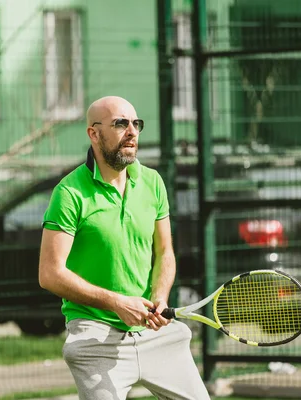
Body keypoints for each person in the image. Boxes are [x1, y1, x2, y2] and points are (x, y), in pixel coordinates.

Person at [38, 96, 210, 400]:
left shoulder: (153, 182)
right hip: (95, 336)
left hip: (154, 334)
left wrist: (159, 297)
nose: (131, 131)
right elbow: (50, 274)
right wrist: (117, 302)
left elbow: (165, 253)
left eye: (136, 124)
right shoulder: (68, 193)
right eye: (120, 123)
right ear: (94, 133)